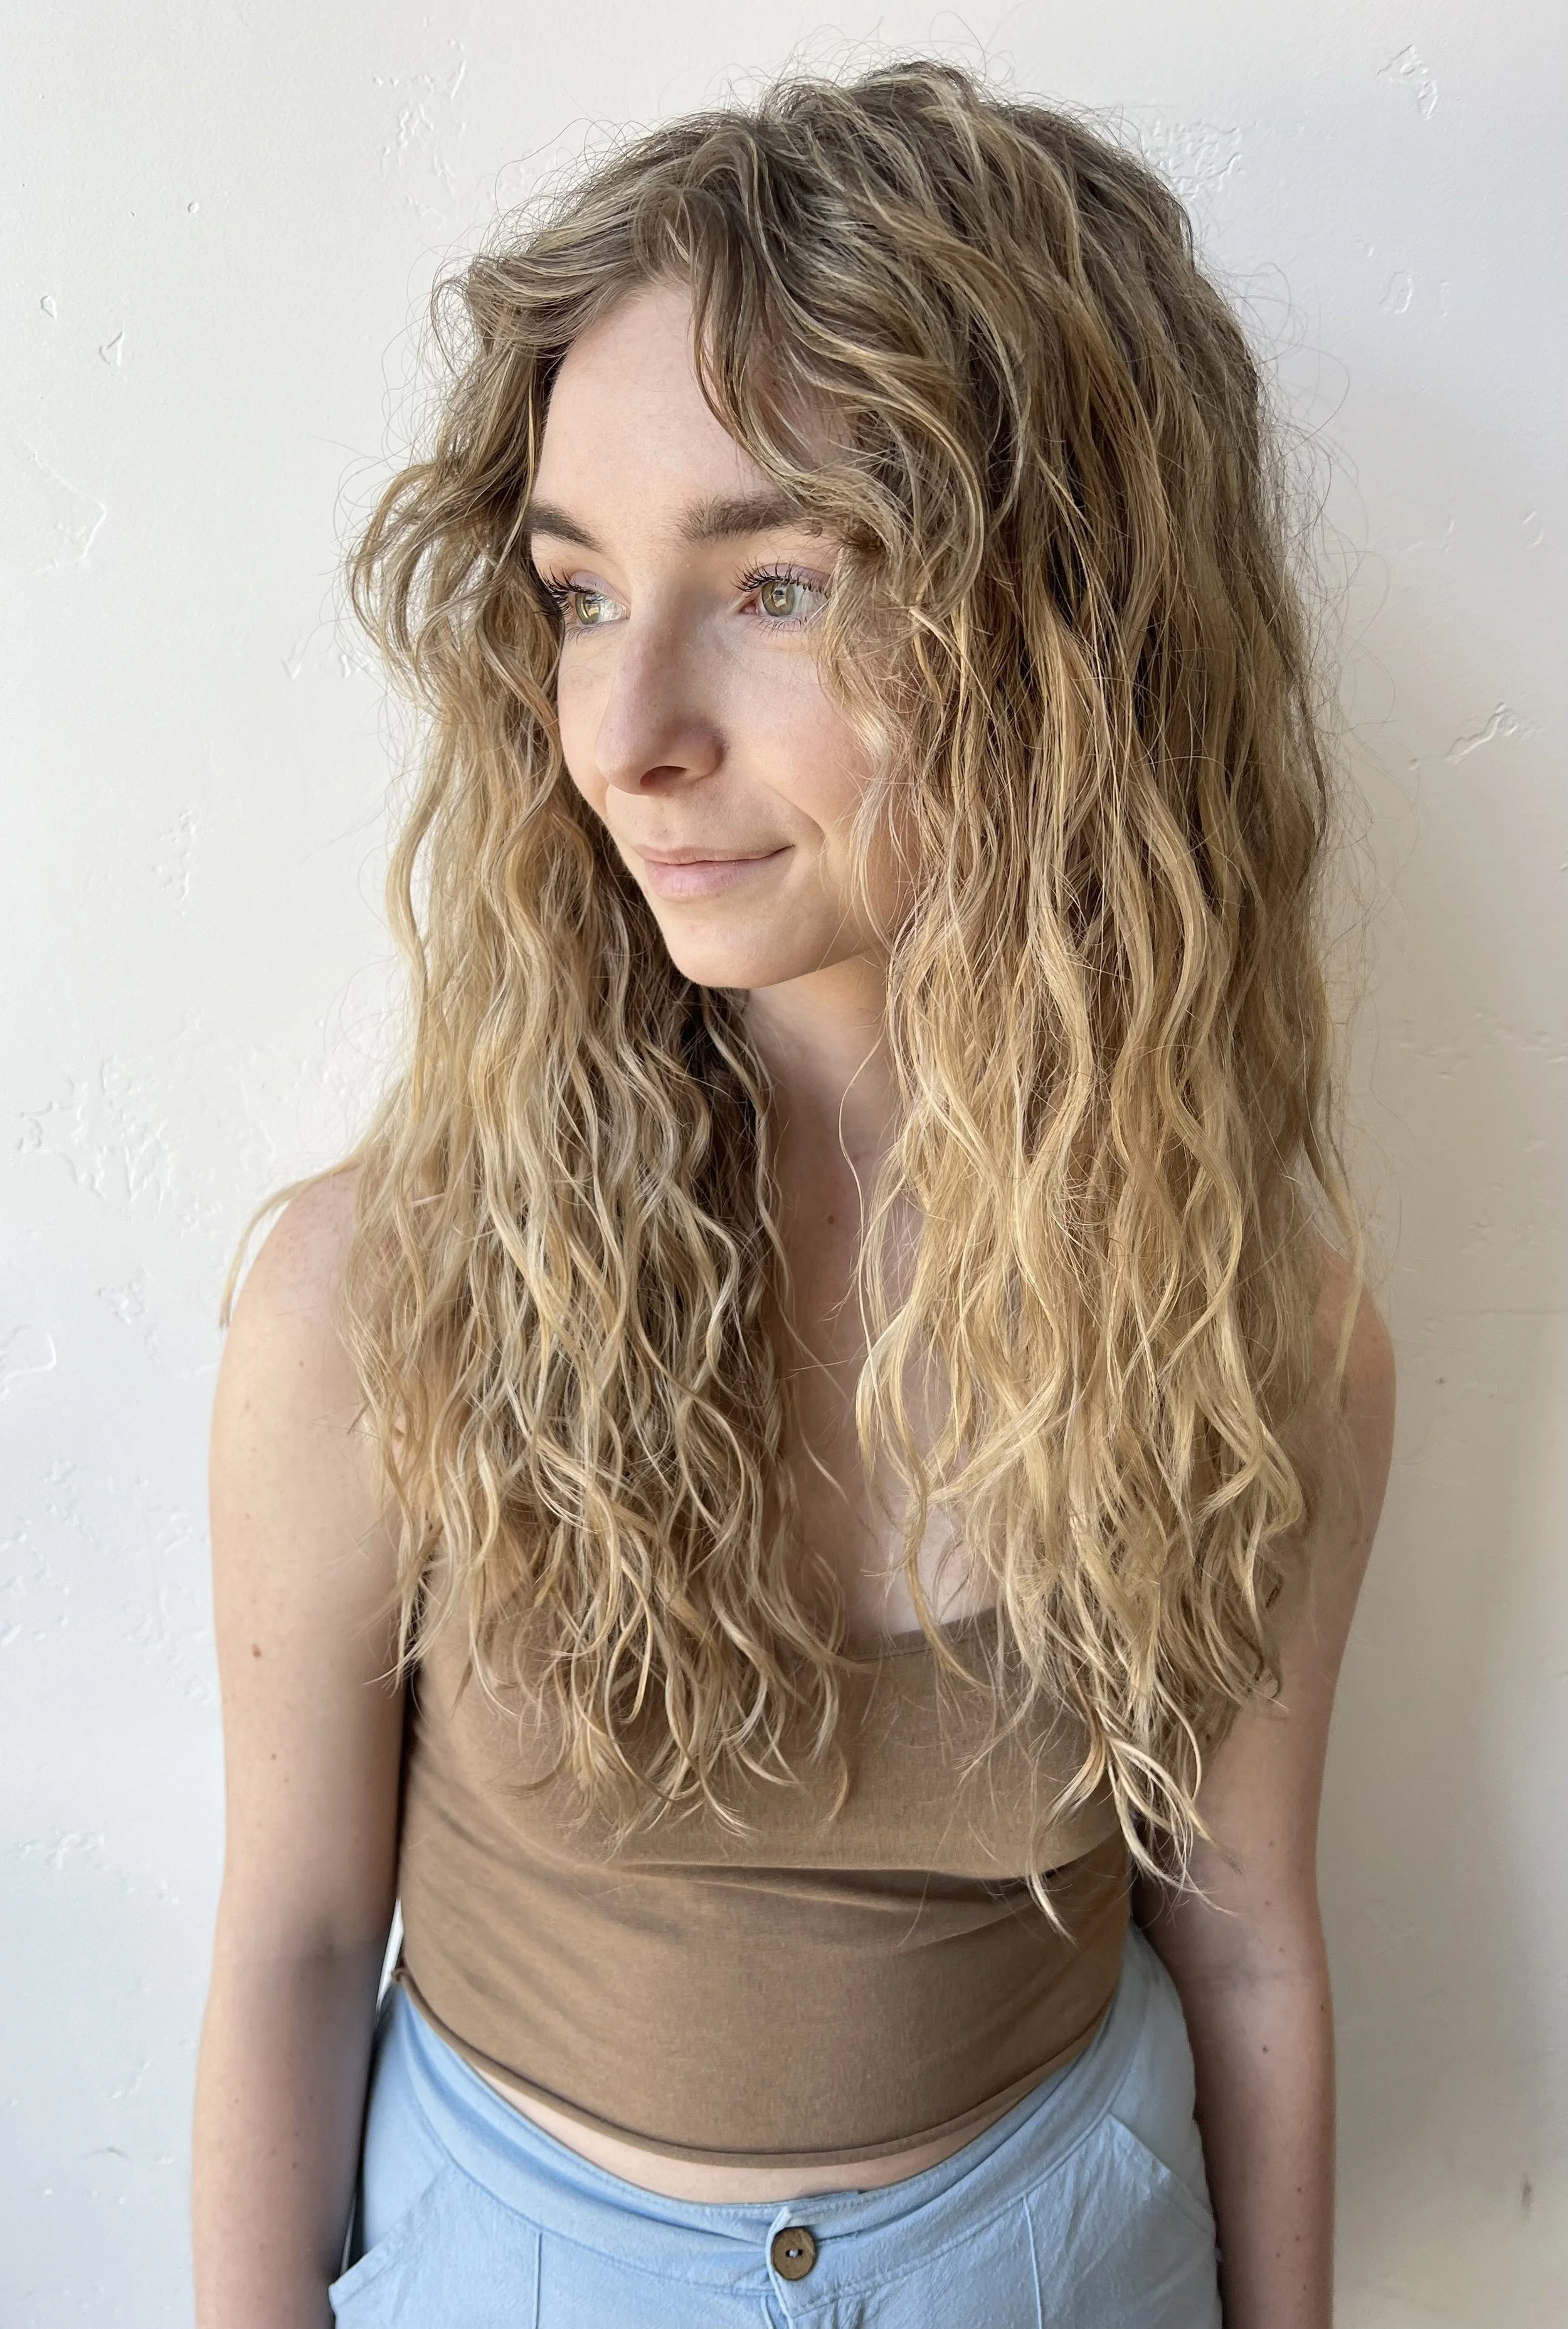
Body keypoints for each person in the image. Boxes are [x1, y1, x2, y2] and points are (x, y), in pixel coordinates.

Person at [190, 55, 1395, 2329]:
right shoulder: (379, 1293)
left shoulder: (1251, 1318)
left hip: (1065, 2252)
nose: (624, 723)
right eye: (572, 593)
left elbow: (1243, 1935)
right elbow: (289, 1949)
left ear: (1065, 637)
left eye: (775, 582)